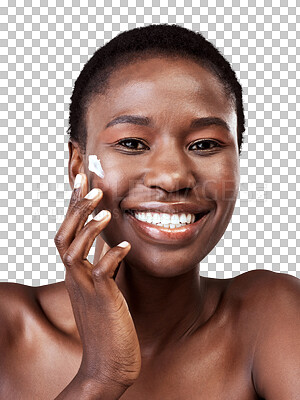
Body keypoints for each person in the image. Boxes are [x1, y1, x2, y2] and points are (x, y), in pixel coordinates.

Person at [0, 24, 299, 400]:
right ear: (78, 166)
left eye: (205, 144)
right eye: (132, 143)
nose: (172, 177)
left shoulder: (270, 314)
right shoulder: (9, 327)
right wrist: (101, 377)